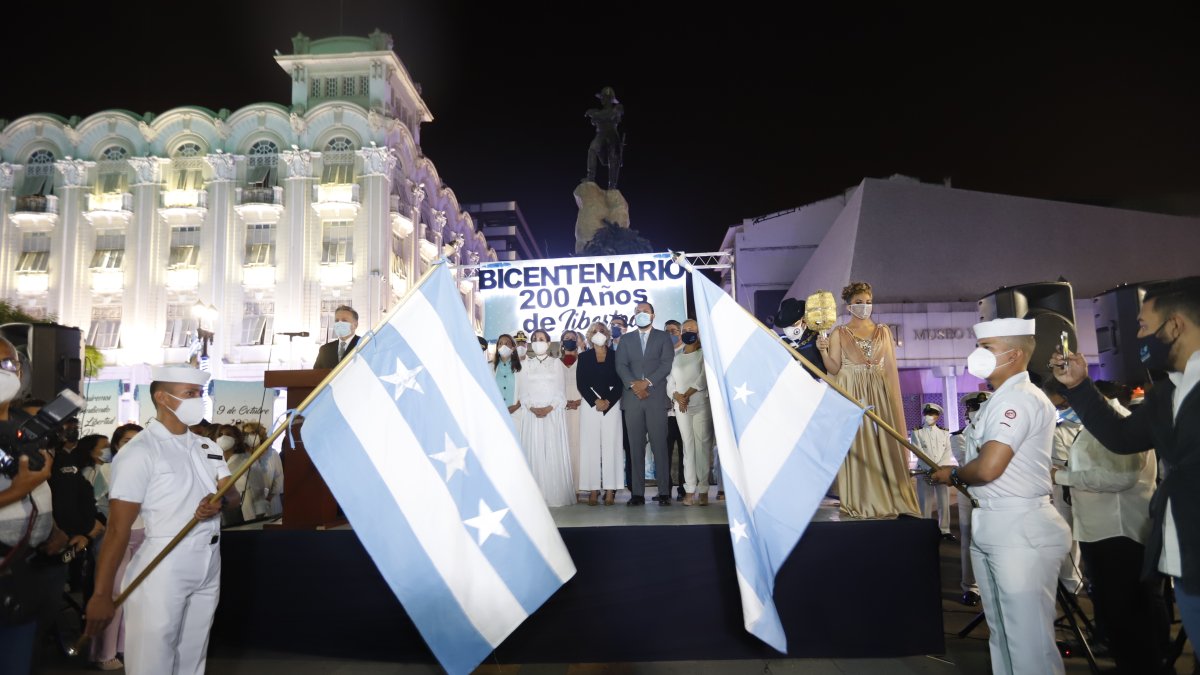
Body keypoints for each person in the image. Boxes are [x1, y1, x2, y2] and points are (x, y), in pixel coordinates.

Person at [1050, 276, 1200, 645]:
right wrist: (1078, 385)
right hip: (1184, 558)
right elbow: (1121, 438)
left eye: (1144, 326)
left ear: (1175, 325)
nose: (1138, 337)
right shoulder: (1169, 391)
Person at [930, 317, 1072, 675]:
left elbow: (989, 467)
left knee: (1028, 644)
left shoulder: (1020, 399)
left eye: (987, 348)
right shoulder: (1000, 400)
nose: (978, 354)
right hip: (996, 524)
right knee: (1004, 636)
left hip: (1019, 528)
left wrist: (953, 475)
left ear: (1015, 354)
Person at [85, 365, 236, 675]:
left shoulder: (207, 446)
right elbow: (117, 529)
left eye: (200, 393)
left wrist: (219, 501)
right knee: (153, 658)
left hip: (209, 559)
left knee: (192, 658)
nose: (198, 400)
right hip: (164, 560)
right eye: (189, 393)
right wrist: (101, 594)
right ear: (162, 398)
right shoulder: (139, 451)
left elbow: (231, 496)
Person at [1044, 379, 1169, 673]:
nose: (1061, 410)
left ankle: (1143, 665)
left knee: (1129, 609)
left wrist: (1062, 476)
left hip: (1119, 531)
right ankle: (1130, 660)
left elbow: (1120, 477)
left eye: (1059, 404)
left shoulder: (1117, 423)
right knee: (1116, 607)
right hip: (1101, 530)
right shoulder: (1096, 424)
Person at [816, 281, 920, 519]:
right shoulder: (840, 332)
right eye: (859, 302)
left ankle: (892, 496)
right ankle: (864, 498)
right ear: (849, 306)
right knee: (859, 443)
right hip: (854, 394)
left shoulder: (884, 331)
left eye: (868, 302)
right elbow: (833, 368)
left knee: (884, 441)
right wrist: (822, 350)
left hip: (879, 394)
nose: (864, 306)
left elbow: (890, 369)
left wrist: (891, 399)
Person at [0, 337, 67, 675]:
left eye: (7, 364)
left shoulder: (22, 425)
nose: (3, 373)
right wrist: (15, 492)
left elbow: (36, 488)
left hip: (30, 570)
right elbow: (24, 487)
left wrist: (51, 528)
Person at [88, 424, 144, 671]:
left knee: (134, 597)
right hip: (117, 537)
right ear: (116, 445)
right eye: (126, 441)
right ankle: (104, 653)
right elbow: (98, 502)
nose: (132, 445)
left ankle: (124, 647)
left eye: (137, 440)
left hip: (146, 535)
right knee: (113, 595)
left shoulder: (152, 468)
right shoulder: (107, 469)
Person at [615, 301, 676, 506]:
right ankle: (637, 494)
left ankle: (664, 492)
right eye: (638, 311)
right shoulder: (626, 339)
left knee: (660, 447)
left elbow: (666, 364)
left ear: (653, 315)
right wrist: (635, 385)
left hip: (656, 398)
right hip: (632, 399)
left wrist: (647, 383)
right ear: (634, 315)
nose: (641, 314)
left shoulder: (663, 337)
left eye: (645, 311)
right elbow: (620, 365)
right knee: (635, 448)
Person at [518, 330, 574, 507]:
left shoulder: (556, 363)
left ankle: (554, 494)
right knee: (534, 451)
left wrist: (549, 408)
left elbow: (560, 391)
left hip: (552, 413)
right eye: (534, 339)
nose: (537, 342)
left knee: (551, 451)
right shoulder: (526, 364)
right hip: (532, 414)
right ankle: (535, 496)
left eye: (541, 339)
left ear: (549, 343)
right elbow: (523, 392)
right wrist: (532, 408)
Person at [576, 322, 624, 506]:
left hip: (612, 404)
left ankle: (610, 490)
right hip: (590, 404)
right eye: (595, 331)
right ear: (589, 335)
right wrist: (595, 401)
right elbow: (581, 383)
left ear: (608, 334)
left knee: (612, 445)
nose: (599, 333)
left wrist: (608, 401)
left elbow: (620, 382)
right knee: (590, 446)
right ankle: (593, 489)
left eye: (602, 330)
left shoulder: (616, 355)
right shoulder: (584, 357)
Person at [671, 319, 714, 506]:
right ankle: (689, 489)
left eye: (691, 329)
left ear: (698, 332)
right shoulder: (676, 356)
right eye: (685, 329)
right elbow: (669, 381)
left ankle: (703, 489)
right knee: (688, 448)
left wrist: (687, 394)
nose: (687, 331)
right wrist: (677, 396)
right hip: (681, 407)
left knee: (702, 447)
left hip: (700, 405)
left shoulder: (705, 354)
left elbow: (703, 378)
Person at [910, 403, 956, 541]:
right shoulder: (917, 432)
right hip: (924, 471)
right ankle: (925, 529)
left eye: (932, 414)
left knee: (944, 501)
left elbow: (947, 452)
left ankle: (945, 530)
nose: (929, 416)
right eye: (927, 414)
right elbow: (917, 451)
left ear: (937, 416)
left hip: (941, 471)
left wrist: (940, 469)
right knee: (925, 502)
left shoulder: (944, 432)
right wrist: (930, 468)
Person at [217, 425, 267, 525]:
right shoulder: (214, 461)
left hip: (244, 512)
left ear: (237, 440)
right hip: (219, 514)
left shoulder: (248, 461)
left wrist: (259, 514)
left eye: (228, 434)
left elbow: (259, 490)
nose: (223, 437)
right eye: (220, 434)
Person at [560, 330, 584, 502]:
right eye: (566, 338)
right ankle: (565, 487)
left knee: (580, 447)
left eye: (573, 338)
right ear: (561, 343)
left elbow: (590, 383)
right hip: (561, 409)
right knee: (565, 447)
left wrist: (580, 401)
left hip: (582, 407)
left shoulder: (584, 361)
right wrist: (564, 402)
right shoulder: (555, 363)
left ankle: (579, 487)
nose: (569, 341)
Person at [584, 86, 624, 190]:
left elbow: (610, 115)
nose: (602, 99)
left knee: (613, 159)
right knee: (592, 149)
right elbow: (594, 121)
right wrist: (597, 115)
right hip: (601, 134)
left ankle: (612, 186)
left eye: (605, 97)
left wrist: (596, 115)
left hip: (612, 135)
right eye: (602, 97)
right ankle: (590, 177)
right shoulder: (597, 111)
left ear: (610, 99)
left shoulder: (618, 107)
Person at [241, 421, 283, 517]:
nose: (249, 436)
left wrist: (269, 497)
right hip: (249, 502)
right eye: (246, 434)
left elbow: (279, 479)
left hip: (271, 501)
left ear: (260, 435)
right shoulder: (241, 455)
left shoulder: (272, 454)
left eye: (252, 433)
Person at [774, 297, 825, 374]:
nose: (789, 328)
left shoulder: (816, 336)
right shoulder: (780, 341)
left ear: (803, 319)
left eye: (794, 324)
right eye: (786, 325)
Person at [493, 333, 523, 436]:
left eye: (507, 343)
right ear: (497, 348)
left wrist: (516, 406)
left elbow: (526, 391)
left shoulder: (521, 368)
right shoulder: (490, 367)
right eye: (500, 343)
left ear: (513, 348)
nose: (503, 346)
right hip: (496, 415)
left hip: (515, 415)